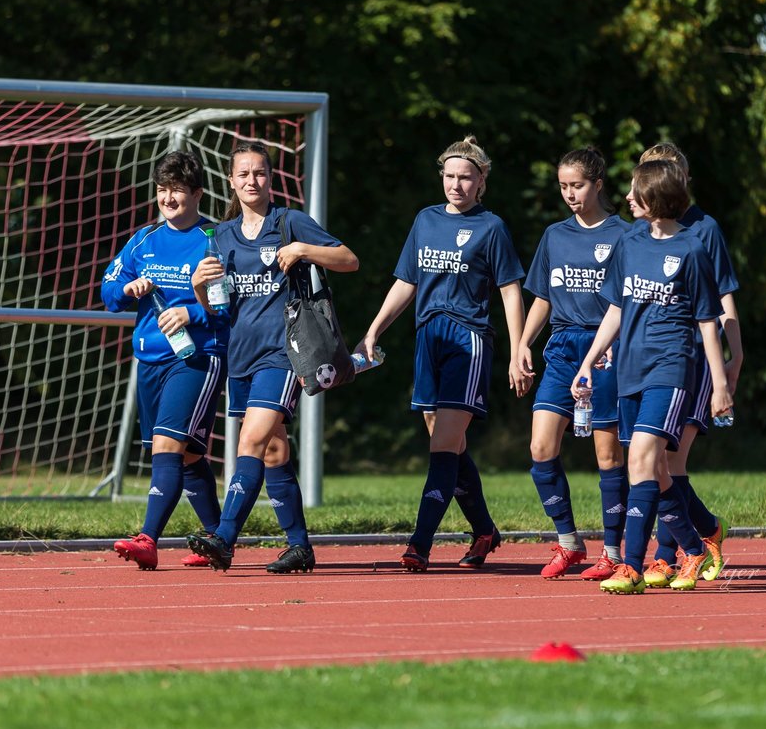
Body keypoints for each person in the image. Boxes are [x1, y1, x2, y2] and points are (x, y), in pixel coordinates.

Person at [355, 135, 527, 572]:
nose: (456, 184)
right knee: (449, 444)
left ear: (481, 180)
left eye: (465, 177)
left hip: (468, 340)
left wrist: (517, 348)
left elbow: (510, 291)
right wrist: (374, 329)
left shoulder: (492, 227)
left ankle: (420, 543)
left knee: (442, 446)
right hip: (428, 338)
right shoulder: (426, 220)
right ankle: (485, 530)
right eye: (449, 176)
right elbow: (407, 283)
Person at [187, 140, 358, 574]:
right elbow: (219, 307)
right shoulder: (221, 235)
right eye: (243, 174)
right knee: (273, 450)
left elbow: (348, 259)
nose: (251, 180)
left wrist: (304, 250)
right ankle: (300, 546)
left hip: (285, 352)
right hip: (241, 354)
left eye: (259, 172)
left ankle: (224, 537)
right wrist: (199, 288)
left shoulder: (289, 222)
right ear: (231, 181)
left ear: (271, 177)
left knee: (250, 441)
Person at [573, 159, 732, 594]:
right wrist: (590, 359)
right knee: (654, 471)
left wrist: (720, 384)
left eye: (635, 191)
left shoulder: (693, 249)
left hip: (671, 368)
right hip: (629, 370)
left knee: (643, 458)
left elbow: (706, 322)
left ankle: (631, 567)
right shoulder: (630, 242)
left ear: (657, 198)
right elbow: (617, 308)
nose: (626, 198)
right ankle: (695, 547)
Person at [102, 150, 228, 570]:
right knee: (190, 455)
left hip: (197, 357)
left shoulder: (216, 238)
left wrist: (190, 312)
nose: (168, 198)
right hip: (151, 357)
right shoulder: (144, 238)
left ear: (196, 192)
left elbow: (231, 307)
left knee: (168, 445)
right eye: (161, 190)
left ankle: (147, 539)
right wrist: (128, 289)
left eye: (176, 190)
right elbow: (109, 294)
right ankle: (218, 538)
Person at [517, 147, 631, 579]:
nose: (569, 194)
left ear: (598, 184)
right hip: (563, 348)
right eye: (563, 186)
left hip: (604, 350)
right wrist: (524, 343)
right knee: (540, 448)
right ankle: (568, 542)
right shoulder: (554, 235)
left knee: (607, 454)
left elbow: (628, 301)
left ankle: (614, 552)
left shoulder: (624, 234)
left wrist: (612, 346)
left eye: (577, 185)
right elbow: (543, 297)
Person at [635, 142, 743, 587]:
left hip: (694, 358)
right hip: (648, 359)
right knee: (655, 463)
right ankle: (702, 532)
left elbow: (723, 297)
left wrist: (735, 357)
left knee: (668, 461)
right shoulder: (640, 232)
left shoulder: (704, 230)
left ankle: (668, 554)